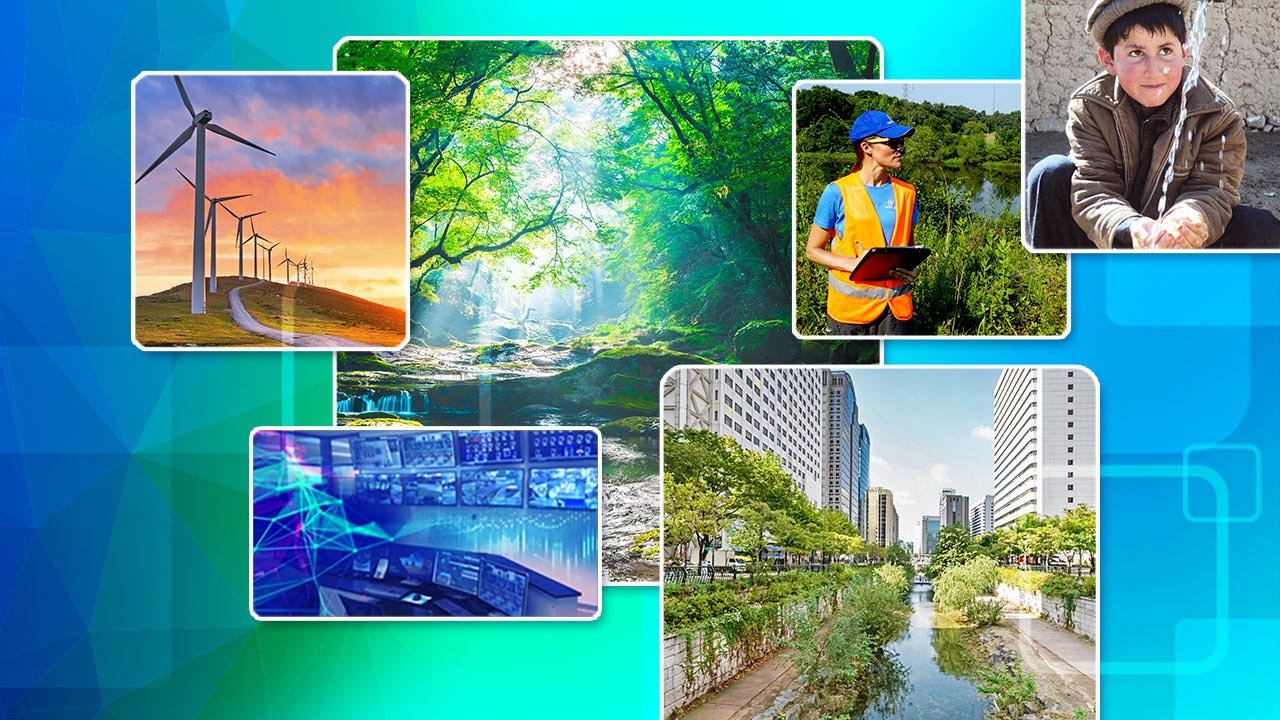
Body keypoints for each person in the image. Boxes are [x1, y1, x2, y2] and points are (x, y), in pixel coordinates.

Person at [1027, 0, 1280, 249]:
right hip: (1115, 238)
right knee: (1050, 174)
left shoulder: (1217, 114)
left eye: (1165, 51)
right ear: (1108, 60)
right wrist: (1129, 226)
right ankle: (1063, 280)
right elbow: (1094, 184)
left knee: (1259, 226)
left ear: (1184, 52)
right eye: (1136, 53)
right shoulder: (1091, 107)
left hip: (1179, 244)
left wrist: (1190, 218)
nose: (1154, 70)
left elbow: (1214, 188)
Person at [806, 110, 921, 335]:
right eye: (893, 142)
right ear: (867, 147)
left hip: (896, 312)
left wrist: (912, 269)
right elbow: (812, 250)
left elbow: (908, 249)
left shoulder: (907, 193)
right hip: (850, 313)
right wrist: (851, 264)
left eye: (902, 141)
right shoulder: (837, 191)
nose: (900, 148)